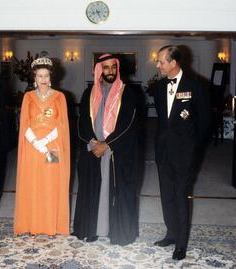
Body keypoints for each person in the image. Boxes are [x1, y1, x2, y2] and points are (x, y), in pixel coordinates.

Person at [73, 53, 139, 246]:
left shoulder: (127, 93)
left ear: (117, 69)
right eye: (106, 67)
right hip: (93, 149)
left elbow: (128, 124)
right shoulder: (89, 93)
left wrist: (108, 144)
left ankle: (115, 232)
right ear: (99, 70)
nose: (109, 71)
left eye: (113, 67)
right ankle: (92, 229)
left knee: (115, 191)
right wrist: (92, 142)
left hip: (116, 151)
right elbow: (82, 121)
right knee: (93, 190)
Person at [153, 45, 211, 260]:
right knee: (166, 194)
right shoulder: (159, 87)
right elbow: (162, 122)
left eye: (161, 61)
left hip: (185, 153)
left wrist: (194, 149)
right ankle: (171, 233)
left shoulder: (196, 86)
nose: (157, 65)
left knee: (180, 195)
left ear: (173, 62)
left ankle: (181, 243)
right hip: (163, 151)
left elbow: (205, 123)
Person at [13, 56, 70, 236]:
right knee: (33, 183)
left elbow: (61, 124)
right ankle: (33, 224)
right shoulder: (28, 97)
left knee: (51, 183)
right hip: (32, 147)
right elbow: (24, 123)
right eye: (39, 76)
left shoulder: (59, 97)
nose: (43, 79)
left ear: (51, 77)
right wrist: (35, 142)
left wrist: (45, 142)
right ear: (34, 78)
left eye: (46, 76)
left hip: (52, 146)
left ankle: (51, 225)